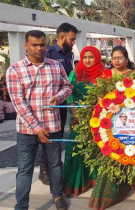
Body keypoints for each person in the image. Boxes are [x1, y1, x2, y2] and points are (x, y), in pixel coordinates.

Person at [6, 30, 72, 210]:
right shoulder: (15, 70)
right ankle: (21, 205)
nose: (39, 48)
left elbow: (67, 86)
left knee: (55, 164)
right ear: (26, 46)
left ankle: (58, 196)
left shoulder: (55, 66)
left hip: (52, 125)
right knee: (25, 169)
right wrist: (36, 128)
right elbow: (19, 103)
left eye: (42, 44)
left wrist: (58, 97)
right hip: (27, 130)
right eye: (34, 45)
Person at [88, 45, 133, 210]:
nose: (116, 61)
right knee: (110, 151)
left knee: (127, 150)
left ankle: (128, 183)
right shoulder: (105, 75)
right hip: (108, 120)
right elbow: (99, 95)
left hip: (128, 120)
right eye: (114, 58)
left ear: (126, 59)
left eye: (120, 58)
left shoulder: (133, 75)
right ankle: (107, 191)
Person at [37, 22, 77, 186]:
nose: (73, 43)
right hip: (49, 103)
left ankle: (55, 168)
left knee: (59, 135)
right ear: (62, 37)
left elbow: (68, 78)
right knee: (47, 136)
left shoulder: (69, 55)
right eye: (72, 39)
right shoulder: (48, 53)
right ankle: (44, 168)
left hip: (63, 101)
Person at [63, 46, 106, 197]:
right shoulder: (75, 73)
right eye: (85, 57)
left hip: (100, 119)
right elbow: (69, 93)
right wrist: (75, 112)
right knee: (78, 149)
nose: (87, 60)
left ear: (97, 57)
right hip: (79, 118)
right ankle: (77, 183)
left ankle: (96, 181)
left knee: (98, 149)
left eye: (91, 57)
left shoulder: (104, 74)